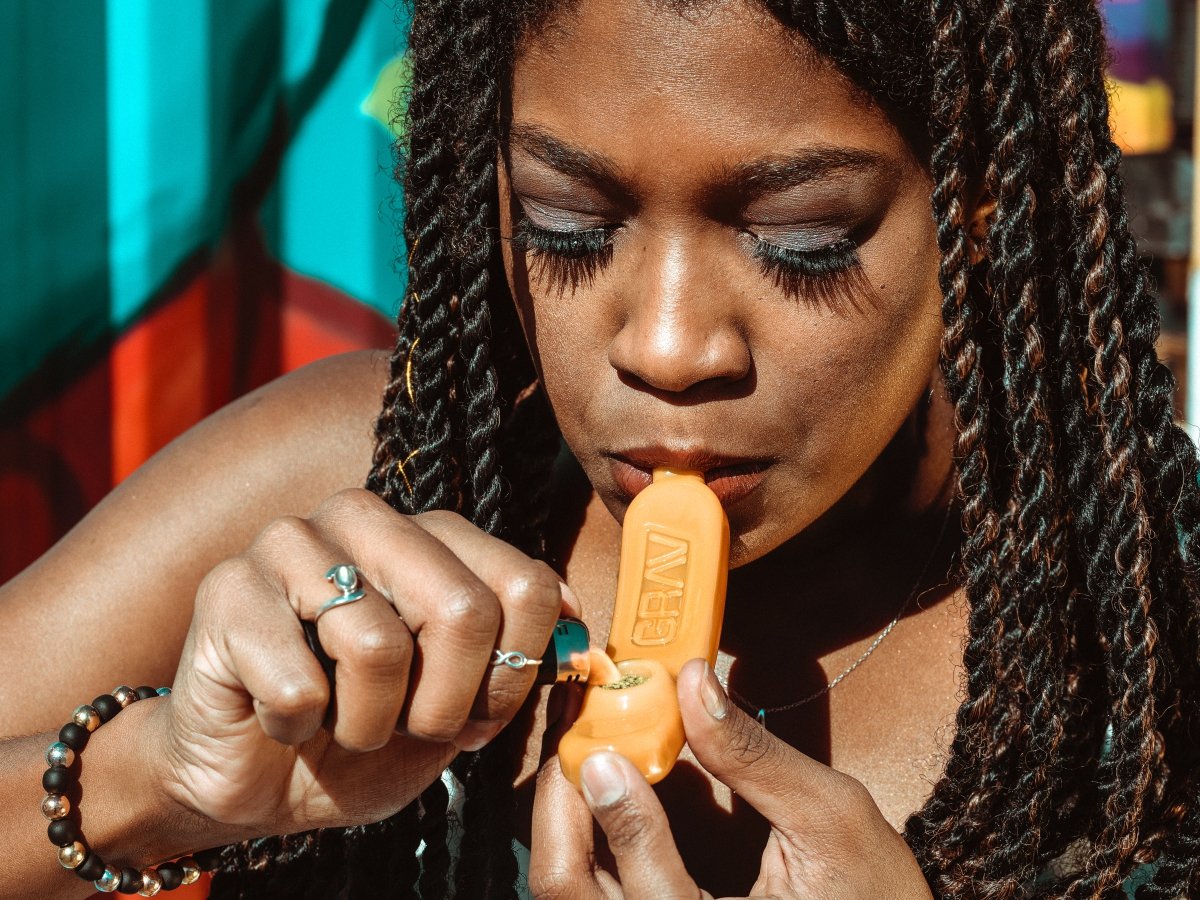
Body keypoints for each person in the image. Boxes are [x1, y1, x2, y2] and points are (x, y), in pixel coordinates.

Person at [2, 0, 1197, 897]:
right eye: (568, 226)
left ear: (981, 199)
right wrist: (160, 779)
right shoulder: (355, 484)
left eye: (802, 237)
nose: (670, 348)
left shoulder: (1157, 631)